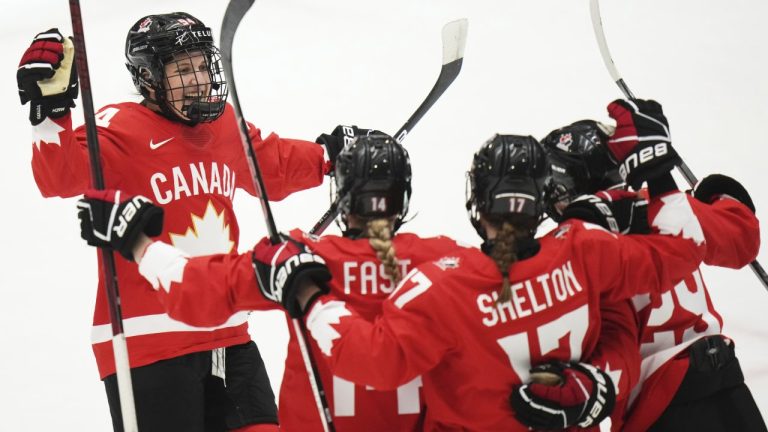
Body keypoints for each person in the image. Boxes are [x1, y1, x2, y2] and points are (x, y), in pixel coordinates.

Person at [17, 12, 341, 432]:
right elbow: (58, 177)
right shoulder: (120, 128)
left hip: (229, 334)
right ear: (149, 76)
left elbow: (273, 164)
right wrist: (50, 112)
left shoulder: (222, 125)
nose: (199, 79)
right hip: (149, 344)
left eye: (203, 66)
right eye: (183, 69)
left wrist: (334, 158)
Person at [77, 133, 467, 431]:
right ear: (404, 196)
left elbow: (199, 288)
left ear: (342, 196)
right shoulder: (448, 262)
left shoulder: (299, 258)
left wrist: (139, 243)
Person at [536, 102, 766, 431]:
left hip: (656, 407)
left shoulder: (572, 246)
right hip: (724, 383)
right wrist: (716, 195)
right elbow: (743, 239)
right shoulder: (671, 205)